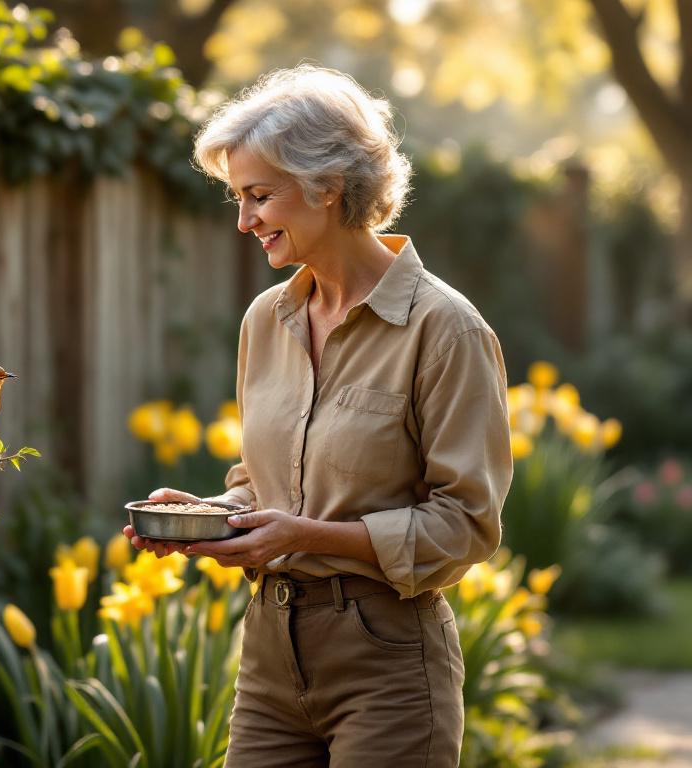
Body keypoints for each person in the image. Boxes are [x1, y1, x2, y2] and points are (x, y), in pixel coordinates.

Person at [122, 65, 513, 767]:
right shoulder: (266, 321)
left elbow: (468, 525)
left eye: (259, 196)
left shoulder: (444, 329)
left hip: (388, 666)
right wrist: (213, 513)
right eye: (238, 198)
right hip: (271, 656)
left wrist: (302, 534)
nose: (244, 221)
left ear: (327, 187)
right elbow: (265, 484)